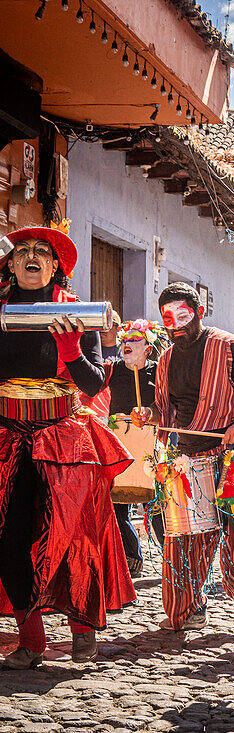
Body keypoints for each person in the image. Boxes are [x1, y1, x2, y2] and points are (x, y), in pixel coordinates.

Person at [0, 224, 135, 668]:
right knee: (9, 539)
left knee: (73, 536)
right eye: (23, 250)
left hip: (62, 439)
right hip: (7, 440)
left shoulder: (78, 314)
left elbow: (94, 381)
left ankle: (82, 630)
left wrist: (72, 350)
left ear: (56, 266)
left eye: (43, 251)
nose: (31, 257)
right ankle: (31, 640)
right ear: (11, 262)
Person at [135, 282, 234, 631]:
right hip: (188, 457)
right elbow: (166, 411)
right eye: (168, 317)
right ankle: (188, 608)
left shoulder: (229, 347)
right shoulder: (165, 359)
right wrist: (148, 416)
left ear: (200, 312)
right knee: (184, 540)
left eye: (183, 314)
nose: (176, 323)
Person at [103, 319, 162, 576]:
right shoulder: (112, 369)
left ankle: (172, 561)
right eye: (124, 340)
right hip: (119, 445)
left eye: (134, 340)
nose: (127, 344)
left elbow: (168, 407)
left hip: (150, 445)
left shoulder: (158, 371)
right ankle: (132, 556)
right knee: (117, 505)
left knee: (158, 505)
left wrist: (150, 414)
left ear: (147, 348)